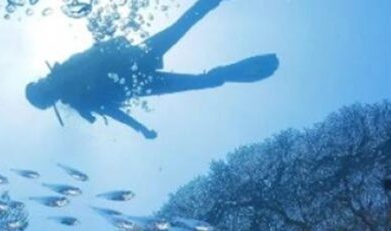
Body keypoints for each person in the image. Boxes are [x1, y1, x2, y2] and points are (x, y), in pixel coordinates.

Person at [25, 0, 279, 139]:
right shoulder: (77, 98)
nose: (45, 82)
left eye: (40, 84)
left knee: (181, 30)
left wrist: (140, 128)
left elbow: (110, 106)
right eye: (42, 88)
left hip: (134, 67)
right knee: (190, 56)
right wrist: (139, 128)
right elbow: (112, 111)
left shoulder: (72, 85)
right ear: (49, 96)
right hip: (138, 76)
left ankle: (213, 12)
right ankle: (229, 72)